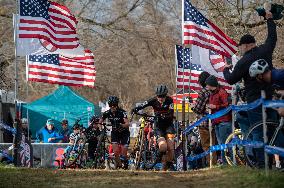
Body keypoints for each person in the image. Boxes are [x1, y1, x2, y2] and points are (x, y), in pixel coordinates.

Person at [223, 11, 278, 168]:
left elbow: (231, 79)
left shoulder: (243, 61)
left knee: (259, 132)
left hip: (254, 101)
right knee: (274, 129)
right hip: (271, 97)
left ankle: (263, 165)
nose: (240, 49)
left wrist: (226, 69)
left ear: (246, 45)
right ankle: (276, 161)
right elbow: (272, 37)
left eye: (240, 47)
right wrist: (269, 19)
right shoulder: (265, 50)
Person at [131, 84, 175, 171]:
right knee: (163, 147)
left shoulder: (170, 100)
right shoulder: (153, 100)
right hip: (159, 126)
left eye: (162, 96)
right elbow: (143, 104)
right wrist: (135, 109)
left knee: (170, 148)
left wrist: (163, 115)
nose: (160, 98)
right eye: (159, 96)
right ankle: (158, 157)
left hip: (168, 125)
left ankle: (167, 165)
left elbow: (171, 113)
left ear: (165, 95)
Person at [191, 71, 217, 166]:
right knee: (213, 145)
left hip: (204, 123)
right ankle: (213, 163)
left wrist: (192, 106)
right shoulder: (215, 90)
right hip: (215, 121)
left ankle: (211, 164)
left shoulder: (203, 92)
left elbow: (198, 109)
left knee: (206, 145)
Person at [205, 75, 232, 164]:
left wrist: (215, 106)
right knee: (221, 144)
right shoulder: (212, 93)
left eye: (207, 85)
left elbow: (227, 105)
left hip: (224, 122)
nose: (206, 87)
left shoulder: (222, 92)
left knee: (225, 144)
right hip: (216, 122)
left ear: (212, 84)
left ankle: (228, 162)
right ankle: (225, 163)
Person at [99, 96, 130, 169]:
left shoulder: (122, 112)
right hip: (115, 133)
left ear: (117, 105)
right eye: (111, 105)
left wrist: (122, 125)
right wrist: (101, 129)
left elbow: (127, 124)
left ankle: (125, 164)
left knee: (123, 152)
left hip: (124, 133)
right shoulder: (107, 113)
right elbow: (100, 121)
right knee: (115, 152)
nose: (112, 107)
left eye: (114, 105)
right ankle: (119, 166)